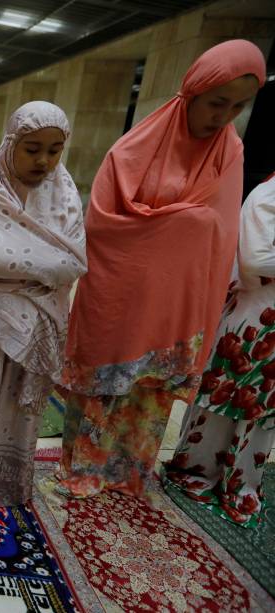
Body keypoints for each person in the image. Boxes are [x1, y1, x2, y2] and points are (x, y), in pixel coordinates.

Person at [59, 40, 267, 499]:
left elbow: (220, 234)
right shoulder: (138, 146)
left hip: (177, 302)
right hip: (121, 294)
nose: (224, 116)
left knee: (149, 392)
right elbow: (102, 222)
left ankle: (129, 470)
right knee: (106, 386)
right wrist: (184, 223)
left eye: (238, 106)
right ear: (192, 92)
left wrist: (182, 225)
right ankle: (87, 467)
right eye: (217, 102)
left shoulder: (229, 152)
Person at [0, 101, 87, 509]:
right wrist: (39, 267)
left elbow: (73, 262)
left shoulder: (66, 195)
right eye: (32, 148)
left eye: (54, 149)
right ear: (10, 145)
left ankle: (5, 486)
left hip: (37, 327)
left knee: (17, 411)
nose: (44, 160)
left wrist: (20, 266)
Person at [164, 173, 275, 526]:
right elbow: (255, 259)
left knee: (262, 404)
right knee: (222, 398)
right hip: (254, 313)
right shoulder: (268, 193)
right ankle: (196, 469)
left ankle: (239, 483)